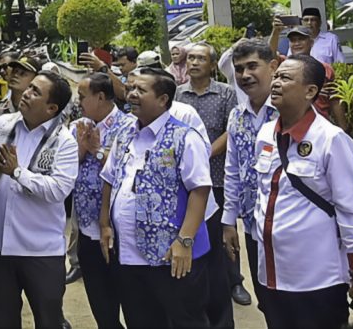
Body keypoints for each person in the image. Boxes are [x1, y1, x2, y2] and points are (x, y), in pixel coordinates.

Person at [254, 55, 353, 328]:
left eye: (285, 78)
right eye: (276, 76)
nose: (275, 83)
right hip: (272, 275)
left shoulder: (331, 139)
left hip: (317, 280)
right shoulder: (265, 133)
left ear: (311, 91)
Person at [99, 67, 212, 329]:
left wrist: (185, 241)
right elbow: (109, 178)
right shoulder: (125, 133)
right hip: (128, 254)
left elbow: (200, 189)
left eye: (141, 90)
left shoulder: (184, 137)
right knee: (141, 320)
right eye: (131, 89)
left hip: (172, 257)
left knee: (186, 320)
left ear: (163, 100)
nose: (132, 95)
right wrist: (105, 223)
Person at [0, 70, 77, 329]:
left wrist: (17, 173)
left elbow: (58, 190)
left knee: (49, 320)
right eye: (30, 88)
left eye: (36, 91)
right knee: (4, 322)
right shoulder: (3, 125)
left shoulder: (64, 142)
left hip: (40, 250)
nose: (26, 93)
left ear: (51, 108)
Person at [176, 42, 245, 318]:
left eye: (200, 59)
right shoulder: (178, 94)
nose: (193, 63)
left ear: (212, 65)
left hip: (217, 175)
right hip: (190, 179)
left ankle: (234, 281)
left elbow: (232, 131)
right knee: (197, 232)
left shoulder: (226, 93)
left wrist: (203, 154)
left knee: (223, 232)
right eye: (190, 58)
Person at [222, 38, 280, 314]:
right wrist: (228, 221)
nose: (245, 75)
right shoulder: (237, 115)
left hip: (292, 226)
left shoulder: (289, 111)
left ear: (273, 66)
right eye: (239, 68)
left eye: (252, 66)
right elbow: (232, 170)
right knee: (267, 300)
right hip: (254, 226)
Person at [71, 73, 133, 329]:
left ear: (100, 96)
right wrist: (82, 149)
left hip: (118, 233)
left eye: (82, 97)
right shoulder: (78, 126)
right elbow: (66, 169)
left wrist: (96, 151)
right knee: (100, 302)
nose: (79, 102)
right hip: (87, 229)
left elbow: (126, 169)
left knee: (130, 300)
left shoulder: (128, 125)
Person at [283, 25, 347, 128]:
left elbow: (335, 100)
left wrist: (343, 128)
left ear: (311, 43)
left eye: (301, 39)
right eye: (293, 40)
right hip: (291, 126)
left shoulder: (325, 69)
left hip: (320, 126)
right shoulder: (282, 67)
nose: (297, 43)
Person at [0, 53, 43, 124]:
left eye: (22, 73)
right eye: (15, 71)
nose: (16, 75)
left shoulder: (41, 112)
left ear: (35, 79)